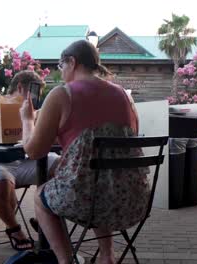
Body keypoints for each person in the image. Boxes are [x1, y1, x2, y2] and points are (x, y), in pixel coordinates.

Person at [20, 40, 144, 264]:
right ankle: (108, 256)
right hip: (131, 198)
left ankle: (66, 261)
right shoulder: (125, 96)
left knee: (40, 197)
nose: (61, 72)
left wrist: (28, 120)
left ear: (72, 62)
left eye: (61, 65)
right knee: (98, 180)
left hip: (87, 200)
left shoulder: (62, 94)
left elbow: (34, 151)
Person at [0, 70, 59, 250]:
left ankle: (45, 216)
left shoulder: (32, 111)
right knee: (1, 182)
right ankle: (14, 229)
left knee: (61, 165)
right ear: (20, 87)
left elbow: (38, 143)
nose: (36, 98)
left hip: (19, 162)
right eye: (33, 92)